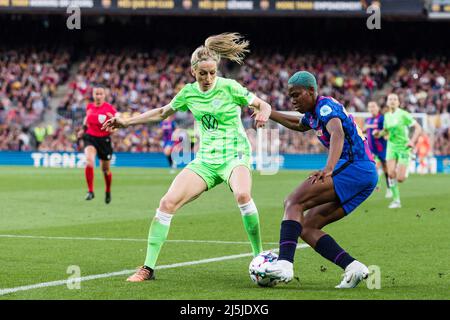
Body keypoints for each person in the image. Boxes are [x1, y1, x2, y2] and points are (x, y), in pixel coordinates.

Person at [103, 33, 272, 282]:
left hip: (234, 155)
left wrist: (262, 115)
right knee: (166, 203)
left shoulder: (230, 87)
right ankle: (147, 268)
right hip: (205, 161)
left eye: (212, 72)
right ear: (193, 71)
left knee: (243, 195)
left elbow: (263, 105)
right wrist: (126, 122)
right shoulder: (188, 93)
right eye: (203, 73)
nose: (208, 78)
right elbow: (161, 112)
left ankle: (259, 258)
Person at [262, 71, 378, 289]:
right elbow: (298, 124)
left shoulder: (325, 107)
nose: (293, 100)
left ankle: (285, 264)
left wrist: (329, 168)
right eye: (290, 96)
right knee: (306, 227)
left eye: (297, 95)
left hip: (354, 167)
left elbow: (338, 133)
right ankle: (353, 267)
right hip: (365, 175)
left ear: (312, 91)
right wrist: (269, 112)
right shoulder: (314, 113)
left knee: (293, 202)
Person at [380, 93, 422, 209]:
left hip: (404, 146)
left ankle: (407, 163)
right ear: (387, 102)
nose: (392, 101)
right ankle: (396, 200)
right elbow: (385, 130)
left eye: (395, 99)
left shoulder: (403, 114)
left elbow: (418, 128)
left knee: (400, 178)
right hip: (391, 147)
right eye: (390, 99)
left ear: (398, 102)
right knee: (391, 174)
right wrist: (379, 133)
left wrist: (412, 141)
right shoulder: (387, 116)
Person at [78, 85, 117, 204]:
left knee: (105, 170)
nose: (98, 96)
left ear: (104, 95)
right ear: (93, 95)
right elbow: (86, 118)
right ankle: (90, 191)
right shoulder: (89, 107)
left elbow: (116, 126)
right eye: (96, 94)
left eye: (101, 94)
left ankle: (108, 190)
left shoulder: (110, 109)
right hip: (90, 138)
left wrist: (112, 129)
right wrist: (83, 129)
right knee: (89, 161)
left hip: (104, 140)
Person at [364, 101, 391, 198]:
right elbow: (365, 131)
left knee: (386, 169)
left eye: (374, 106)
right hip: (372, 149)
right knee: (373, 167)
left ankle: (389, 188)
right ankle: (377, 185)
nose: (372, 108)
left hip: (382, 148)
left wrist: (379, 132)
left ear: (378, 107)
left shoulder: (382, 118)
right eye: (370, 107)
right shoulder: (367, 120)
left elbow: (386, 130)